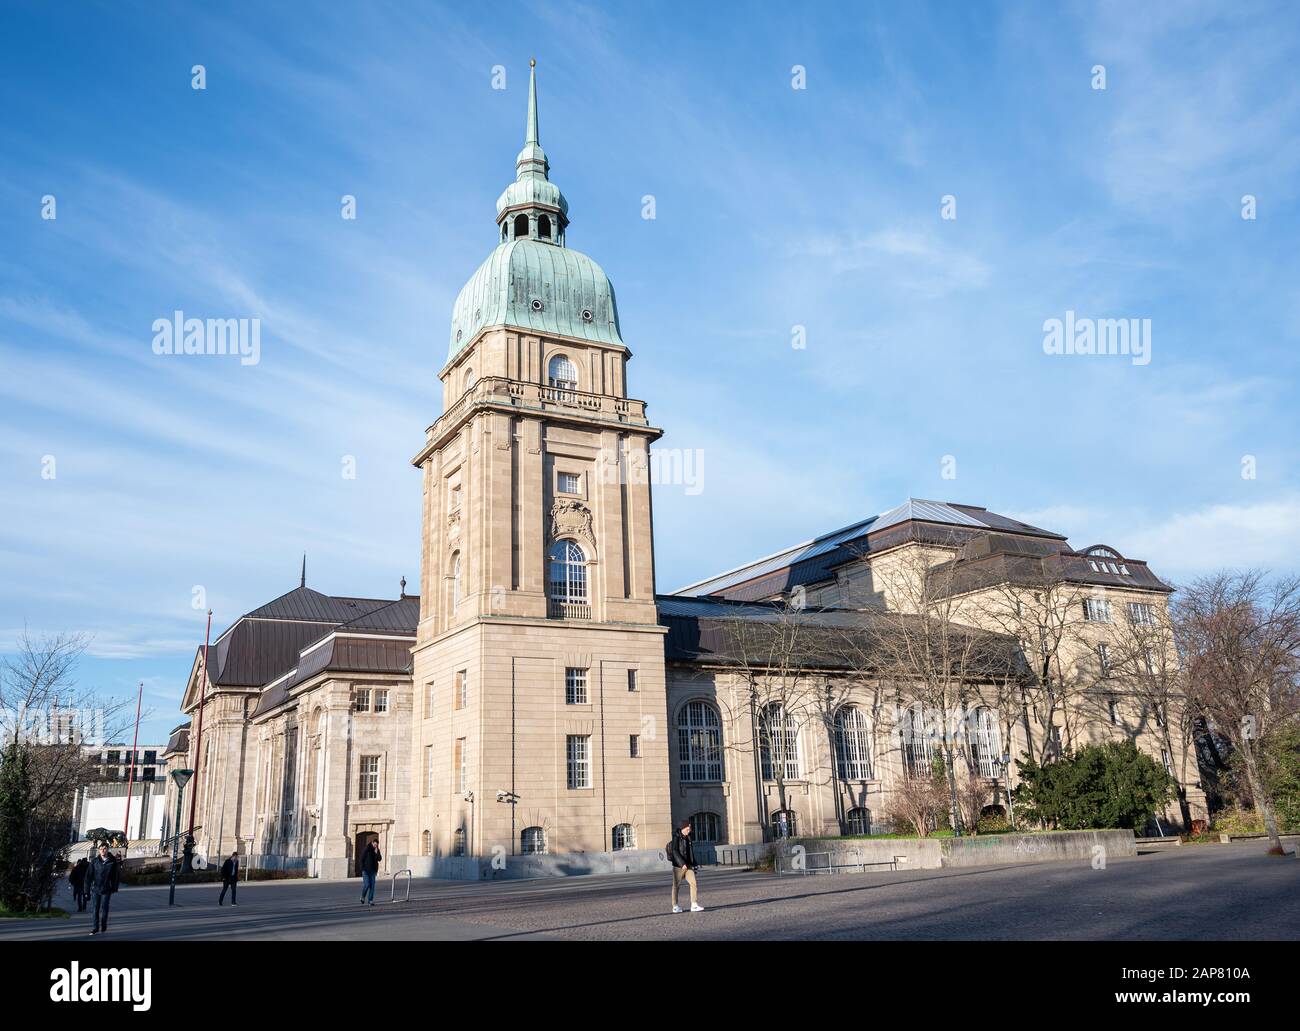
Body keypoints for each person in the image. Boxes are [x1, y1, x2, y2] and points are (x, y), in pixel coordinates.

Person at [668, 818, 704, 913]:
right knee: (676, 886)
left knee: (693, 883)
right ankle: (675, 906)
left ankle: (694, 905)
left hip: (688, 865)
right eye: (688, 829)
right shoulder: (676, 837)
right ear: (682, 828)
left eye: (690, 829)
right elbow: (675, 851)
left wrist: (694, 864)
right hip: (678, 866)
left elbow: (690, 852)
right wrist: (681, 863)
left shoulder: (688, 837)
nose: (689, 830)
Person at [88, 843, 119, 936]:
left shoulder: (112, 861)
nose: (103, 850)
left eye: (104, 848)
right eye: (101, 848)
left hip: (106, 888)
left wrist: (114, 887)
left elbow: (116, 876)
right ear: (99, 850)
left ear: (108, 849)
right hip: (96, 888)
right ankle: (95, 928)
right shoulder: (95, 861)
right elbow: (88, 875)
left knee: (104, 908)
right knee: (95, 908)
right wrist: (86, 890)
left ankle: (103, 925)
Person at [359, 839, 382, 906]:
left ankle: (370, 900)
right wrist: (362, 868)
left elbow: (379, 859)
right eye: (375, 844)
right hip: (366, 870)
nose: (375, 846)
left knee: (372, 886)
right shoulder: (367, 849)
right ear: (372, 843)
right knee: (367, 884)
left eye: (376, 845)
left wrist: (377, 852)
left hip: (373, 871)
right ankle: (363, 896)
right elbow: (361, 858)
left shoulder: (377, 850)